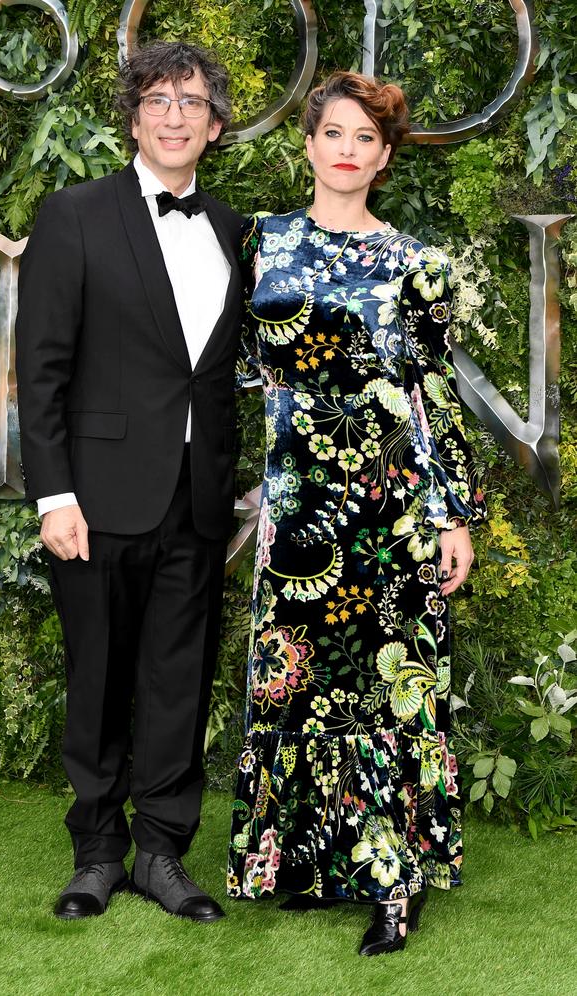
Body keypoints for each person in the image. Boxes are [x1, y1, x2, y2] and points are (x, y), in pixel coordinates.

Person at [227, 71, 487, 955]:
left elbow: (433, 395)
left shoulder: (418, 263)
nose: (346, 149)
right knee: (298, 682)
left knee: (384, 691)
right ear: (307, 143)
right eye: (332, 132)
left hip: (389, 507)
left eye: (364, 139)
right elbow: (231, 367)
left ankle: (392, 885)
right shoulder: (257, 241)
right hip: (296, 501)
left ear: (383, 156)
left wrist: (454, 514)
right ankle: (304, 861)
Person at [16, 40, 243, 923]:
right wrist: (53, 493)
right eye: (158, 100)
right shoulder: (74, 213)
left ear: (215, 125)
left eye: (191, 102)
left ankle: (162, 853)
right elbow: (40, 369)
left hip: (196, 496)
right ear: (136, 117)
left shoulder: (231, 229)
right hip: (96, 497)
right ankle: (97, 853)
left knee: (177, 681)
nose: (175, 115)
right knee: (99, 677)